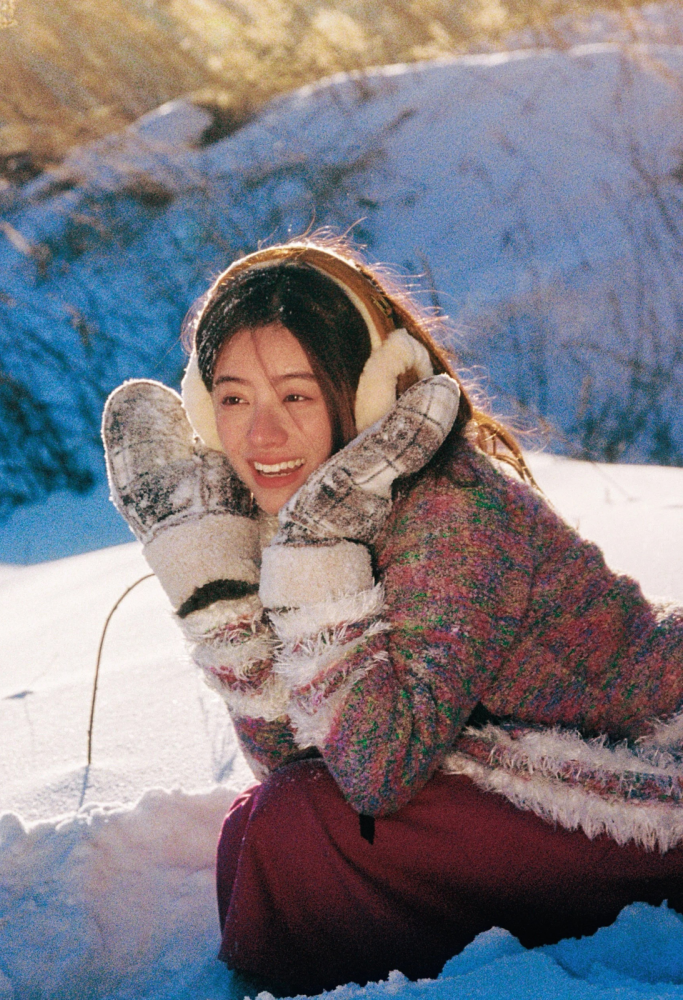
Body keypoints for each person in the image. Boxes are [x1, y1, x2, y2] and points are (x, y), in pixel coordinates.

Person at [101, 238, 683, 996]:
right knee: (259, 828)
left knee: (291, 828)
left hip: (649, 790)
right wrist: (212, 584)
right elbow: (298, 755)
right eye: (235, 398)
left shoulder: (454, 513)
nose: (260, 436)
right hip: (530, 782)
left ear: (367, 392)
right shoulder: (317, 506)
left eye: (297, 395)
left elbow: (374, 778)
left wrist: (314, 558)